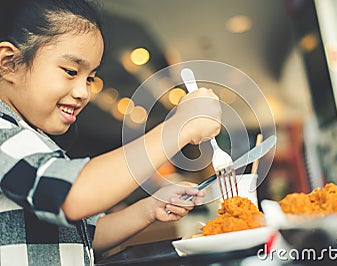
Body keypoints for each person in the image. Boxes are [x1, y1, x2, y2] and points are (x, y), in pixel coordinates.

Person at [0, 1, 222, 265]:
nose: (84, 92)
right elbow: (73, 197)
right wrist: (179, 127)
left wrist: (150, 207)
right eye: (71, 71)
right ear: (9, 63)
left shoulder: (36, 143)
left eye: (90, 78)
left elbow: (83, 235)